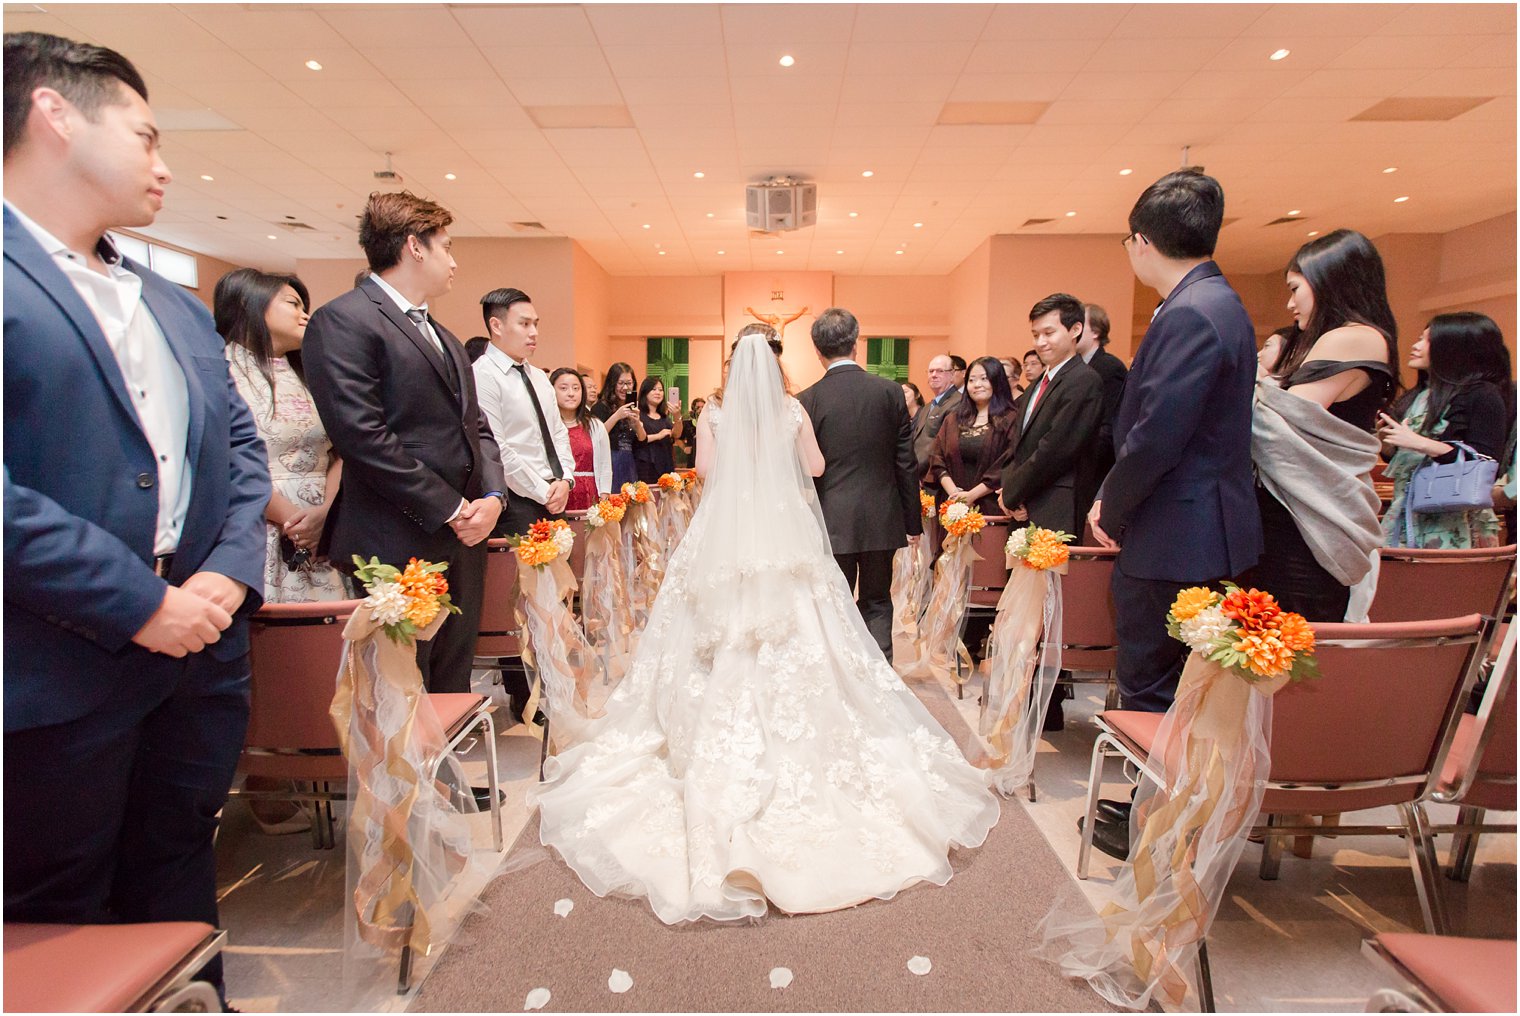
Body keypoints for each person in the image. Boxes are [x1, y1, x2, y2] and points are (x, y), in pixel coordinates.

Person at [532, 330, 999, 925]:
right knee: (815, 625)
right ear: (775, 368)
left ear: (732, 368)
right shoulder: (793, 410)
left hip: (724, 539)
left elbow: (703, 473)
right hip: (786, 533)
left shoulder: (718, 417)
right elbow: (816, 466)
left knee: (706, 634)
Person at [3, 32, 270, 1003]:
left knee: (179, 868)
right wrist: (137, 601)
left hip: (199, 652)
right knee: (56, 912)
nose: (164, 163)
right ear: (55, 114)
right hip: (52, 664)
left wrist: (223, 576)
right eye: (146, 135)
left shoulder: (172, 301)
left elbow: (240, 453)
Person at [1086, 171, 1260, 858]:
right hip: (1203, 528)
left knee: (1155, 686)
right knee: (1181, 686)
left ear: (1142, 241)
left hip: (1174, 534)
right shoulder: (1222, 304)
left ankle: (1155, 828)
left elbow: (1157, 434)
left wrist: (1112, 503)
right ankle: (1162, 814)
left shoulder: (1189, 312)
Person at [302, 190, 506, 695]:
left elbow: (476, 426)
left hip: (463, 536)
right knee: (397, 688)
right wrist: (452, 507)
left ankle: (445, 775)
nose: (454, 262)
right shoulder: (343, 320)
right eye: (447, 247)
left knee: (451, 673)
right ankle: (405, 778)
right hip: (396, 535)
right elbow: (361, 435)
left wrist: (493, 499)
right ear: (415, 247)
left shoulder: (445, 336)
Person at [1246, 230, 1397, 621]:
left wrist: (1246, 382)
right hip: (1295, 516)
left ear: (1330, 280)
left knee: (1289, 658)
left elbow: (1278, 428)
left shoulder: (1351, 338)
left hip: (1304, 525)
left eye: (1296, 288)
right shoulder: (1352, 338)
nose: (1290, 302)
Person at [798, 307, 924, 658]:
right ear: (856, 344)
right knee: (878, 600)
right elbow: (905, 462)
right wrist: (912, 522)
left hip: (829, 518)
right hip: (880, 516)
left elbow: (802, 469)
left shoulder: (807, 400)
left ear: (818, 352)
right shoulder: (889, 392)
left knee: (834, 602)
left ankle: (842, 671)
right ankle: (881, 670)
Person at [217, 268, 345, 605]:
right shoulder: (220, 371)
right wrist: (291, 519)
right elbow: (223, 457)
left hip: (322, 527)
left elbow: (340, 451)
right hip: (259, 523)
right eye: (293, 304)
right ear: (249, 303)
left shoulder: (313, 374)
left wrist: (325, 516)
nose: (305, 314)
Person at [1379, 312, 1511, 550]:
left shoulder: (1482, 394)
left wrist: (1420, 443)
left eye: (1428, 340)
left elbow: (1484, 461)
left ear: (1454, 348)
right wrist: (1388, 443)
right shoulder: (1418, 395)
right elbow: (1407, 460)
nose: (1416, 346)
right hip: (1406, 510)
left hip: (1454, 519)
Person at [471, 287, 575, 536]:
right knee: (523, 575)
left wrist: (565, 480)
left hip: (555, 494)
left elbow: (558, 432)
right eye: (525, 324)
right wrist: (542, 491)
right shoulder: (482, 375)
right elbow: (497, 447)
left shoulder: (538, 377)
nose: (534, 333)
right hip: (517, 501)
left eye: (535, 324)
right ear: (496, 326)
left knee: (562, 573)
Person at [1000, 294, 1105, 536]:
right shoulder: (1037, 384)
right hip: (1022, 506)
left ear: (1075, 329)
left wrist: (1012, 493)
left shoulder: (1084, 381)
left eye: (1049, 333)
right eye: (1036, 335)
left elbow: (1056, 449)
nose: (1041, 342)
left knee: (1047, 574)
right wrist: (1009, 491)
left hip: (1055, 505)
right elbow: (1016, 444)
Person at [927, 356, 1019, 518]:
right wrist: (955, 494)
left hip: (990, 507)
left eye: (984, 379)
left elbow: (1007, 464)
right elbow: (937, 457)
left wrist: (972, 495)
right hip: (953, 507)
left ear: (997, 382)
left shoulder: (1011, 419)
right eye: (972, 380)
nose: (977, 385)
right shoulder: (954, 418)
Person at [1074, 303, 1129, 533]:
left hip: (1094, 472)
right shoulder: (1075, 369)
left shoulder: (1109, 367)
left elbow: (1109, 426)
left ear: (1096, 331)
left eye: (1080, 326)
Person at [551, 366, 610, 512]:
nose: (571, 394)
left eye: (576, 388)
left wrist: (604, 494)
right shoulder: (546, 426)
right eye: (563, 388)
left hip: (589, 493)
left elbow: (605, 465)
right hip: (556, 494)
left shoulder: (595, 425)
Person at [592, 362, 645, 488]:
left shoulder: (632, 407)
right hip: (610, 461)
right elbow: (596, 436)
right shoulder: (600, 407)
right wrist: (616, 416)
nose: (625, 387)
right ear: (612, 383)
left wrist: (636, 423)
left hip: (629, 462)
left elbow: (643, 439)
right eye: (620, 383)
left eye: (629, 383)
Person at [911, 354, 964, 478]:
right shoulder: (927, 407)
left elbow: (945, 446)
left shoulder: (958, 403)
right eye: (931, 371)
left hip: (936, 476)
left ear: (952, 375)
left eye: (940, 371)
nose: (934, 375)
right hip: (917, 475)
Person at [633, 375, 682, 483]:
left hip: (665, 464)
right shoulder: (638, 414)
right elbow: (638, 439)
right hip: (646, 466)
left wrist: (677, 416)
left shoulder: (664, 418)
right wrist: (658, 435)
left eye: (660, 390)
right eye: (654, 389)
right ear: (645, 392)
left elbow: (676, 434)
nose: (658, 393)